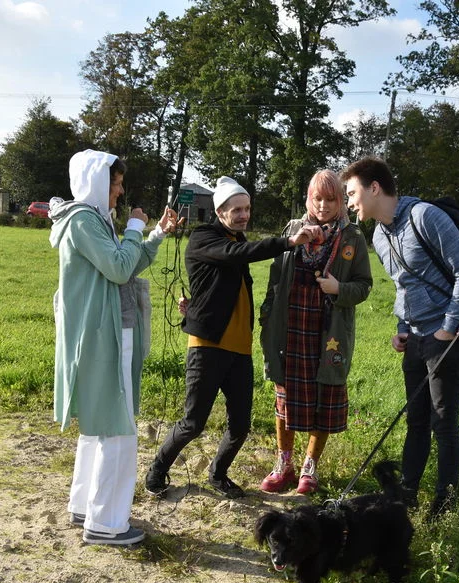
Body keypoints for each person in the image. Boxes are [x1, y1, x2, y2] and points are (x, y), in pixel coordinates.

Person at [144, 176, 321, 500]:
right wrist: (288, 242)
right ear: (220, 210)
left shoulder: (235, 240)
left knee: (240, 425)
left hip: (240, 350)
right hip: (208, 347)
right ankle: (157, 470)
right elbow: (235, 254)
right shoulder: (204, 237)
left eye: (247, 208)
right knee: (193, 423)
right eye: (237, 209)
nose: (244, 215)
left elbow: (221, 279)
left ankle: (218, 473)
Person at [49, 149, 180, 545]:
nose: (120, 193)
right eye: (116, 184)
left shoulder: (93, 220)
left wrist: (154, 234)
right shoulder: (84, 221)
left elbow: (125, 265)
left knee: (99, 422)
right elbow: (120, 267)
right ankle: (106, 524)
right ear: (97, 183)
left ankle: (85, 506)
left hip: (105, 331)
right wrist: (136, 228)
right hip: (105, 334)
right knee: (118, 428)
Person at [340, 157, 459, 520]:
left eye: (352, 193)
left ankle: (444, 506)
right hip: (415, 338)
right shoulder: (379, 235)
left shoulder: (426, 217)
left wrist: (448, 325)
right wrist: (402, 327)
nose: (350, 202)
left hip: (448, 338)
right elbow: (404, 286)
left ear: (374, 188)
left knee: (443, 422)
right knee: (416, 421)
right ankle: (406, 494)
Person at [257, 169, 372, 494]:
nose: (323, 205)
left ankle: (309, 468)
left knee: (322, 400)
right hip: (290, 329)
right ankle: (284, 464)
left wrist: (338, 288)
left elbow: (364, 286)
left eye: (331, 199)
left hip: (328, 332)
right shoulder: (294, 229)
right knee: (286, 398)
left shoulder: (353, 239)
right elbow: (276, 277)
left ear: (340, 201)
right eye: (317, 198)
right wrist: (267, 317)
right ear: (310, 198)